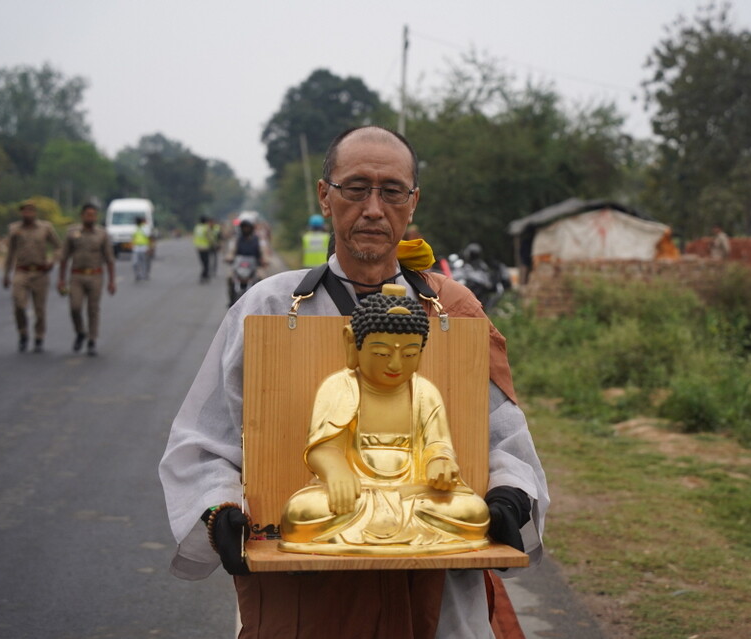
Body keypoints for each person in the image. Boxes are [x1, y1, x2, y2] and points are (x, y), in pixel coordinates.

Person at [159, 125, 549, 638]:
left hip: (428, 555)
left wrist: (508, 495)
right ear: (325, 195)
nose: (372, 208)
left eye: (391, 192)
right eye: (355, 188)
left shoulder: (452, 311)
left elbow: (503, 439)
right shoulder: (270, 308)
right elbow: (203, 440)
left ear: (412, 204)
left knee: (459, 510)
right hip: (313, 576)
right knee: (305, 511)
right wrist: (220, 508)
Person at [279, 286, 490, 554]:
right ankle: (399, 532)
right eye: (382, 353)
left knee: (474, 512)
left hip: (414, 494)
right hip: (355, 494)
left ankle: (378, 531)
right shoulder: (340, 386)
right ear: (352, 342)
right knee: (301, 513)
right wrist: (336, 472)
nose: (395, 365)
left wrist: (441, 463)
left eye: (410, 354)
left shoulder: (424, 392)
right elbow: (324, 447)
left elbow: (437, 444)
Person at [56, 203, 117, 356]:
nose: (91, 217)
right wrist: (61, 279)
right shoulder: (72, 233)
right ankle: (80, 332)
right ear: (82, 215)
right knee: (75, 307)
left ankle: (92, 340)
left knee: (93, 308)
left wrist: (112, 281)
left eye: (94, 215)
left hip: (96, 275)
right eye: (88, 214)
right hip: (77, 275)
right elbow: (64, 257)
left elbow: (109, 259)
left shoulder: (102, 234)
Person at [3, 200, 61, 353]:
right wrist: (6, 274)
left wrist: (52, 261)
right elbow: (10, 254)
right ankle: (23, 333)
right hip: (21, 271)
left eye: (30, 211)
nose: (27, 214)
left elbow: (58, 247)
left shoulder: (45, 228)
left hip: (40, 272)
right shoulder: (14, 229)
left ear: (35, 213)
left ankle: (39, 337)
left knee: (39, 309)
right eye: (24, 211)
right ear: (21, 213)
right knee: (19, 304)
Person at [225, 214, 266, 306]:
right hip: (239, 265)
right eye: (244, 227)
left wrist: (263, 260)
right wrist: (229, 257)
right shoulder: (237, 239)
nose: (245, 229)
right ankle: (231, 300)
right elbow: (232, 251)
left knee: (262, 279)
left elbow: (263, 251)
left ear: (251, 228)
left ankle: (259, 301)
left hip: (254, 266)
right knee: (229, 278)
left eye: (247, 227)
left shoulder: (257, 240)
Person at [132, 215, 152, 281]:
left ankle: (144, 274)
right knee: (135, 263)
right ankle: (137, 275)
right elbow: (133, 238)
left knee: (144, 262)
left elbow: (148, 238)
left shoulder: (145, 228)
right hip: (136, 248)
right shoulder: (135, 229)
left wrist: (149, 247)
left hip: (144, 248)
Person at [192, 216, 212, 283]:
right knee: (206, 263)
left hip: (198, 247)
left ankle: (205, 275)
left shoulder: (197, 227)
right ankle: (204, 275)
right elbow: (209, 237)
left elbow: (194, 236)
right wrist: (214, 244)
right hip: (205, 247)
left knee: (203, 262)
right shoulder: (206, 227)